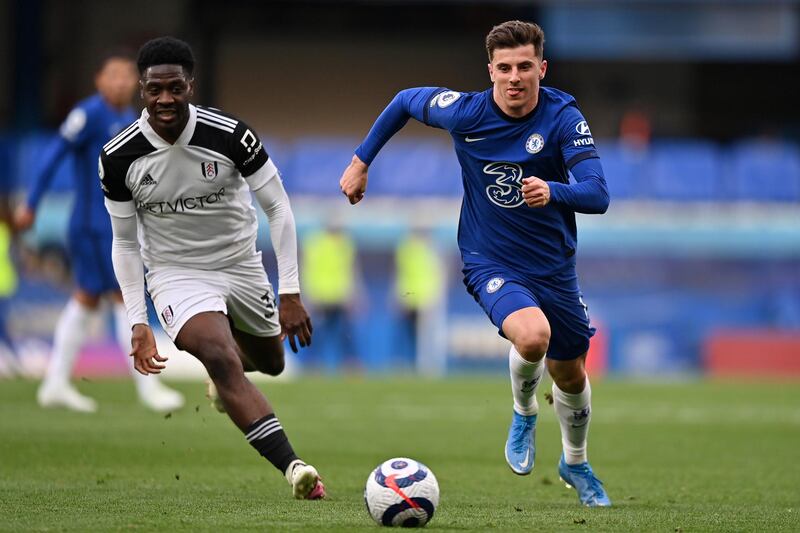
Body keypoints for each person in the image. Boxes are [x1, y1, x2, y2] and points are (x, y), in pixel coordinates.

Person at [340, 21, 611, 507]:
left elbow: (597, 193)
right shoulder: (465, 112)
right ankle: (524, 412)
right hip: (490, 258)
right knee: (532, 336)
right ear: (490, 71)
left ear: (541, 69)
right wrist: (362, 160)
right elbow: (404, 100)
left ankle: (574, 462)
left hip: (554, 266)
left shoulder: (563, 118)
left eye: (524, 67)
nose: (514, 77)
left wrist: (554, 190)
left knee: (570, 374)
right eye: (503, 68)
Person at [100, 37, 324, 500]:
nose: (165, 99)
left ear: (190, 86)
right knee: (220, 356)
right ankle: (295, 468)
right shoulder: (118, 156)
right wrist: (137, 322)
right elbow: (123, 243)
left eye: (175, 88)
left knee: (272, 362)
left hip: (240, 264)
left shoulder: (230, 134)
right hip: (174, 272)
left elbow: (278, 208)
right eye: (154, 90)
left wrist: (290, 293)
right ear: (142, 90)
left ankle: (225, 382)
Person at [14, 52, 184, 412]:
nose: (121, 82)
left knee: (88, 299)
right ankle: (148, 387)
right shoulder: (88, 114)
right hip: (93, 226)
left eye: (127, 77)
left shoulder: (130, 118)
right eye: (114, 76)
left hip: (117, 225)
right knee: (126, 298)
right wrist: (31, 203)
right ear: (99, 81)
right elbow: (54, 154)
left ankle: (55, 383)